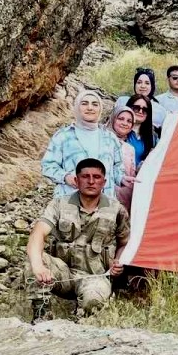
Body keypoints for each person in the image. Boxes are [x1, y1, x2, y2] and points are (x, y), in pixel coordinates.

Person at [26, 157, 129, 321]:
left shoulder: (117, 209)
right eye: (85, 176)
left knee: (93, 301)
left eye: (96, 177)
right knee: (36, 258)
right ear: (76, 180)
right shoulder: (59, 204)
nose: (90, 181)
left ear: (104, 182)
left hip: (95, 277)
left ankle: (80, 322)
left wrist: (117, 262)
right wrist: (38, 266)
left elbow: (125, 242)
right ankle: (41, 316)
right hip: (62, 274)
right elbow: (37, 234)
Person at [41, 90, 125, 197]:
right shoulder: (63, 136)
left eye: (95, 104)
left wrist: (122, 178)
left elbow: (117, 167)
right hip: (71, 201)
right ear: (77, 107)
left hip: (104, 203)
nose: (90, 108)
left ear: (100, 109)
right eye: (84, 103)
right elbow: (48, 165)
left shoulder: (110, 138)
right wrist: (66, 177)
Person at [106, 106, 139, 212]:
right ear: (113, 119)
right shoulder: (101, 140)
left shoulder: (130, 149)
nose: (125, 123)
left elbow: (131, 175)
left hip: (123, 199)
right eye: (121, 119)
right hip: (101, 197)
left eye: (129, 121)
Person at [123, 95, 158, 168]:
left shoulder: (153, 137)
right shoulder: (118, 131)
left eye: (145, 110)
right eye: (136, 108)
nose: (140, 111)